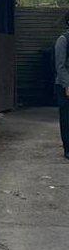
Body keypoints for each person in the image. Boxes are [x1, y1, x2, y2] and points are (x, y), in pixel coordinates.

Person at [55, 16, 69, 160]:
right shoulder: (63, 40)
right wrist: (67, 85)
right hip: (64, 85)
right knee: (66, 118)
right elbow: (60, 65)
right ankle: (68, 148)